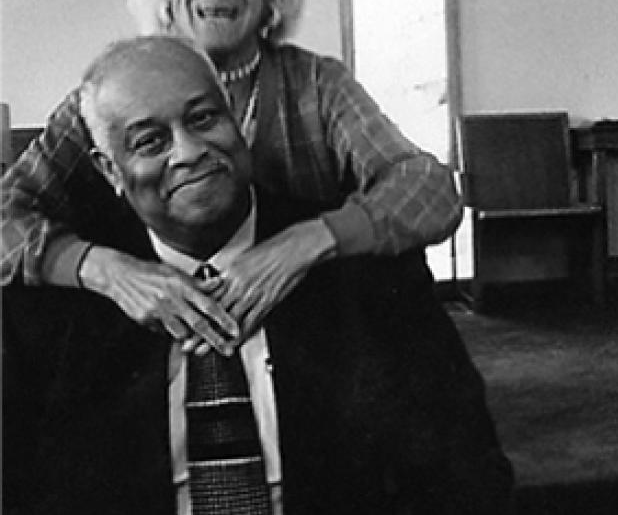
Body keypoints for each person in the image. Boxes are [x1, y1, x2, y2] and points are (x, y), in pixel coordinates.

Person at [2, 36, 513, 515]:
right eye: (150, 141)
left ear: (239, 123)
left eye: (203, 119)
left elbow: (468, 477)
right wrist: (103, 271)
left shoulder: (372, 277)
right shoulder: (55, 310)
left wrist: (305, 247)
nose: (188, 151)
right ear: (109, 171)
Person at [0, 0, 462, 354]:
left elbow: (430, 191)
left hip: (306, 339)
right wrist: (105, 270)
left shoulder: (318, 86)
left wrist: (304, 242)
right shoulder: (106, 98)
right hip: (145, 349)